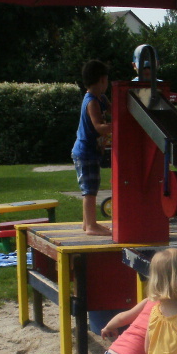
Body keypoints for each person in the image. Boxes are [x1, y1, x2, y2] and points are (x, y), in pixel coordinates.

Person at [72, 59, 113, 236]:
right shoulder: (91, 102)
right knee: (89, 190)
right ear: (102, 80)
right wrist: (118, 126)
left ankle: (87, 223)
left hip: (91, 152)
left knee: (92, 187)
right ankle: (91, 226)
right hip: (85, 152)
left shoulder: (101, 98)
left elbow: (114, 111)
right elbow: (98, 127)